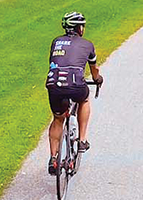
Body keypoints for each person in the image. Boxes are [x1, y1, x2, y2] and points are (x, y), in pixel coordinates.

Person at [47, 11, 104, 176]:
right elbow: (94, 72)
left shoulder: (56, 42)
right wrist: (98, 79)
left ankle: (53, 158)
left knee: (58, 118)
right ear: (79, 28)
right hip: (75, 84)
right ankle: (82, 140)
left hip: (54, 83)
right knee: (84, 100)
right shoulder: (87, 44)